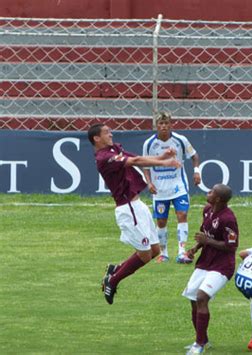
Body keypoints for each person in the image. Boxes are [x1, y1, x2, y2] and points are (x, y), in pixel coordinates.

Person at [87, 123, 180, 305]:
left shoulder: (114, 149)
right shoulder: (104, 157)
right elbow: (135, 162)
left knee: (155, 251)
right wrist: (164, 163)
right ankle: (112, 281)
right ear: (96, 138)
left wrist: (161, 156)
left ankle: (116, 269)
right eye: (106, 132)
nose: (111, 134)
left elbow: (135, 157)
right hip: (128, 209)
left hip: (138, 206)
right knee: (144, 255)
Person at [182, 184, 239, 355]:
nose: (208, 193)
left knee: (201, 297)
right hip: (205, 262)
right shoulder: (207, 210)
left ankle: (198, 345)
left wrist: (207, 242)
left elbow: (231, 246)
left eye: (211, 192)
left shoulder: (228, 219)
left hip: (222, 266)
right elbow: (205, 235)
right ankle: (203, 339)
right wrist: (195, 248)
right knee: (193, 298)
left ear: (219, 199)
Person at [142, 112, 201, 264]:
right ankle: (163, 252)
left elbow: (194, 156)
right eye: (161, 123)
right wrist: (149, 183)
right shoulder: (149, 144)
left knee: (182, 214)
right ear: (157, 125)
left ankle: (182, 252)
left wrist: (196, 171)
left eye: (166, 123)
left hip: (178, 186)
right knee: (161, 221)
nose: (163, 126)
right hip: (160, 190)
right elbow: (145, 165)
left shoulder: (180, 140)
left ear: (171, 125)